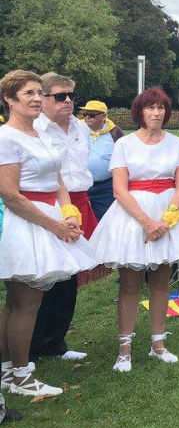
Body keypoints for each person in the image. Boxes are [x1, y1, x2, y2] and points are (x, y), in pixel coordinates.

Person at [89, 87, 179, 372]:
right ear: (140, 112)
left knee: (161, 281)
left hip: (168, 213)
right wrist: (147, 222)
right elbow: (120, 189)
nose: (156, 113)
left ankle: (158, 343)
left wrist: (167, 220)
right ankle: (124, 349)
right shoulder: (124, 144)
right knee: (130, 284)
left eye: (161, 108)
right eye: (150, 108)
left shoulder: (175, 144)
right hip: (132, 215)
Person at [0, 69, 97, 397]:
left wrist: (68, 214)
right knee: (23, 303)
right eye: (28, 93)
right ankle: (20, 375)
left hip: (53, 216)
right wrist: (54, 225)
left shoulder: (40, 135)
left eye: (38, 93)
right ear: (9, 99)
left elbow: (58, 180)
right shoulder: (7, 138)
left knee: (22, 303)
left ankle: (8, 371)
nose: (36, 99)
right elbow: (11, 195)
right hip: (27, 222)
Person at [30, 73, 100, 363]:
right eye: (60, 96)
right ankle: (27, 346)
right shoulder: (34, 128)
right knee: (41, 275)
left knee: (69, 276)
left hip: (79, 200)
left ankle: (55, 341)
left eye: (71, 95)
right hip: (48, 203)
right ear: (43, 98)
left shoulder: (80, 128)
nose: (69, 101)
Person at [81, 100, 124, 220]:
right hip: (82, 185)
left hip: (105, 187)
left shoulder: (115, 132)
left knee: (104, 220)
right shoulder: (78, 129)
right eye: (85, 114)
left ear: (104, 116)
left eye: (92, 115)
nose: (87, 118)